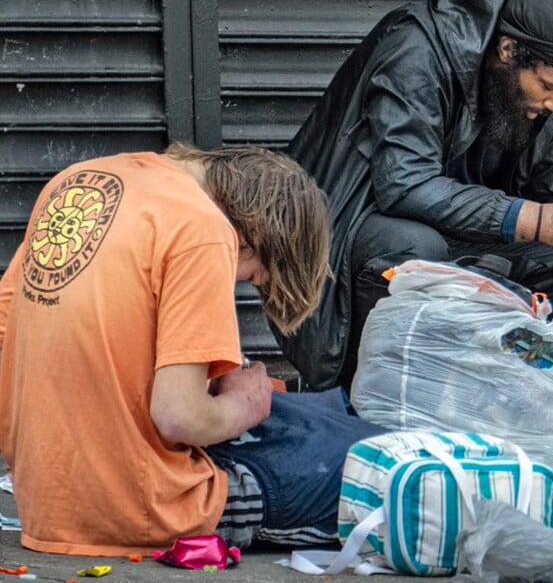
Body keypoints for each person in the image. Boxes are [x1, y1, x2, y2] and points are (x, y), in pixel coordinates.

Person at [280, 0, 553, 391]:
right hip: (337, 242)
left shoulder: (530, 98)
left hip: (449, 235)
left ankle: (480, 370)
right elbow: (404, 184)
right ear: (508, 51)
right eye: (549, 86)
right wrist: (533, 219)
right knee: (417, 248)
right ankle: (368, 382)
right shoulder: (417, 52)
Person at [0, 144, 386, 556]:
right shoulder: (202, 227)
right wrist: (244, 406)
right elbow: (179, 418)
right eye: (252, 277)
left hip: (47, 500)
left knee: (322, 412)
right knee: (382, 466)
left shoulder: (78, 182)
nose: (239, 286)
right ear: (254, 234)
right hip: (142, 511)